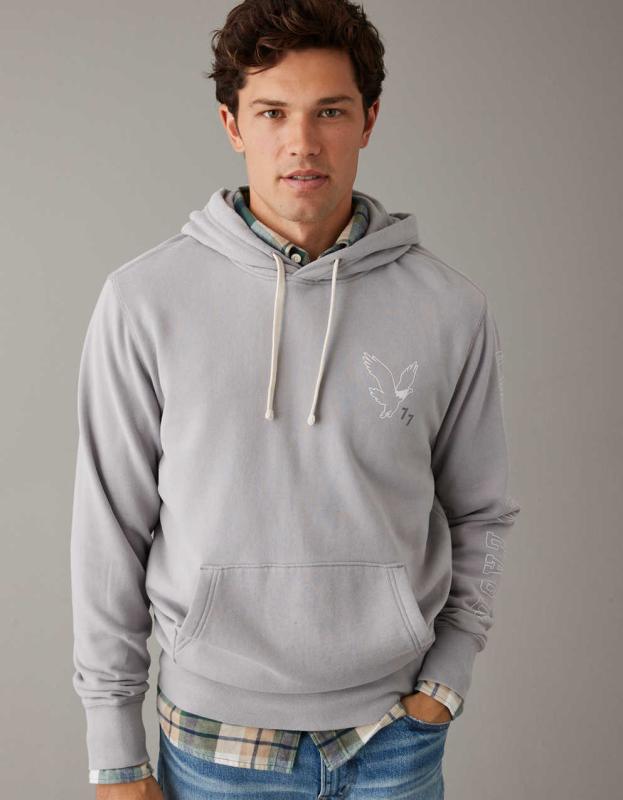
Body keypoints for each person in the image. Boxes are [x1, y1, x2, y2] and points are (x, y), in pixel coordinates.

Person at [69, 1, 521, 797]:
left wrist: (446, 678)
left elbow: (481, 512)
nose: (302, 142)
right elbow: (109, 528)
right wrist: (114, 745)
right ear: (232, 124)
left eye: (330, 112)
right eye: (272, 112)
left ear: (369, 119)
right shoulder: (145, 301)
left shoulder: (450, 309)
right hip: (214, 741)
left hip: (394, 737)